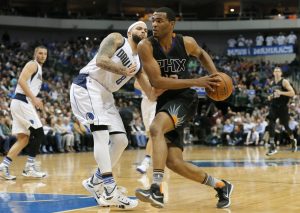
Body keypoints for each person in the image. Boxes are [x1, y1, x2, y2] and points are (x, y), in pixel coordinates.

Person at [135, 7, 233, 209]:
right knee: (174, 163)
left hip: (185, 100)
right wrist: (196, 81)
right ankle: (221, 186)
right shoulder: (146, 46)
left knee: (155, 129)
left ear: (172, 24)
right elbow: (156, 81)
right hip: (166, 102)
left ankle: (156, 189)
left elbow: (202, 53)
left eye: (160, 21)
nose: (154, 24)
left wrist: (214, 76)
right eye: (153, 21)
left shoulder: (186, 42)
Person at [70, 21, 159, 209]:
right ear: (129, 32)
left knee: (121, 141)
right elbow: (101, 60)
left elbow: (150, 93)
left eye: (145, 30)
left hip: (106, 95)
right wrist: (121, 70)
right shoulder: (117, 39)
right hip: (88, 84)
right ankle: (110, 190)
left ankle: (94, 182)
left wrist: (171, 89)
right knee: (101, 135)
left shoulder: (139, 62)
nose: (143, 31)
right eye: (139, 28)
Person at [0, 46, 47, 180]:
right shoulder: (33, 64)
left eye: (45, 54)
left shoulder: (39, 68)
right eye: (40, 53)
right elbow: (21, 80)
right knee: (38, 132)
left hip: (21, 103)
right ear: (35, 54)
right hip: (22, 101)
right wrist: (34, 99)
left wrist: (35, 102)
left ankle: (3, 167)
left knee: (24, 139)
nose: (43, 55)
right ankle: (29, 167)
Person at [266, 66, 297, 155]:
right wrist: (270, 97)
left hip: (283, 107)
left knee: (286, 126)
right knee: (271, 123)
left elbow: (292, 93)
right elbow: (271, 95)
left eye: (278, 71)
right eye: (275, 71)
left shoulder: (284, 81)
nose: (276, 72)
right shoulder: (271, 83)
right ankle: (272, 146)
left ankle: (292, 140)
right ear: (273, 73)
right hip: (274, 106)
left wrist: (281, 92)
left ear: (281, 73)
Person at [134, 79, 157, 174]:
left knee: (153, 132)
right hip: (145, 102)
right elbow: (136, 84)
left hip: (157, 101)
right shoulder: (144, 67)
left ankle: (146, 161)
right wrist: (148, 88)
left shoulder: (162, 67)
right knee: (149, 134)